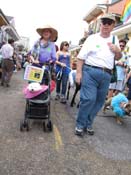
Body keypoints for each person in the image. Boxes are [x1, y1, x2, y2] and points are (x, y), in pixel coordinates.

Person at [75, 13, 122, 136]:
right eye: (104, 22)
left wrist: (117, 51)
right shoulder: (92, 38)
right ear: (100, 24)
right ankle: (80, 125)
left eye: (109, 22)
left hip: (106, 74)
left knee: (100, 102)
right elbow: (80, 57)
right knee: (88, 99)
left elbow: (118, 57)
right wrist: (79, 73)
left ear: (113, 25)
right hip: (90, 71)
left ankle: (88, 123)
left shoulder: (114, 39)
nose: (105, 25)